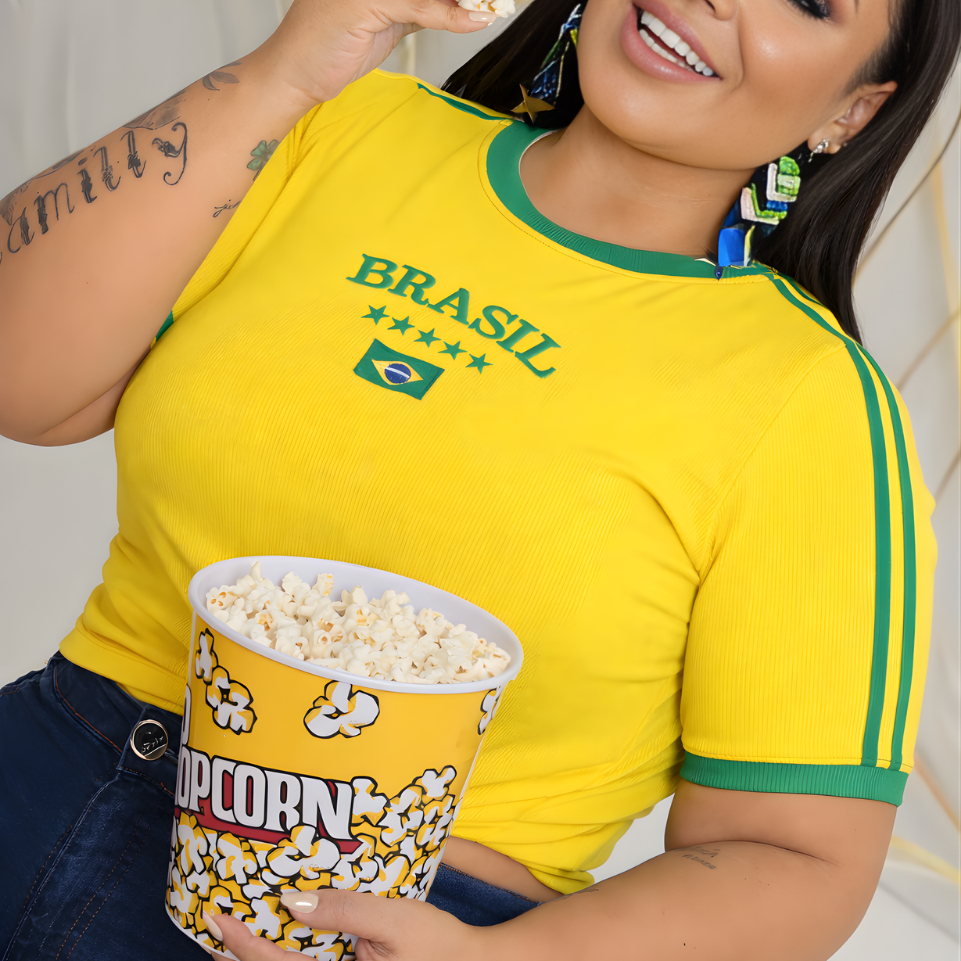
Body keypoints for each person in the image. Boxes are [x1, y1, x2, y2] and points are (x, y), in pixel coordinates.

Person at [0, 0, 957, 957]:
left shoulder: (813, 402)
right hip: (38, 770)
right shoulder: (341, 127)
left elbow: (796, 857)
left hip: (370, 927)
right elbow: (21, 377)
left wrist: (502, 959)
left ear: (853, 110)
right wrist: (281, 73)